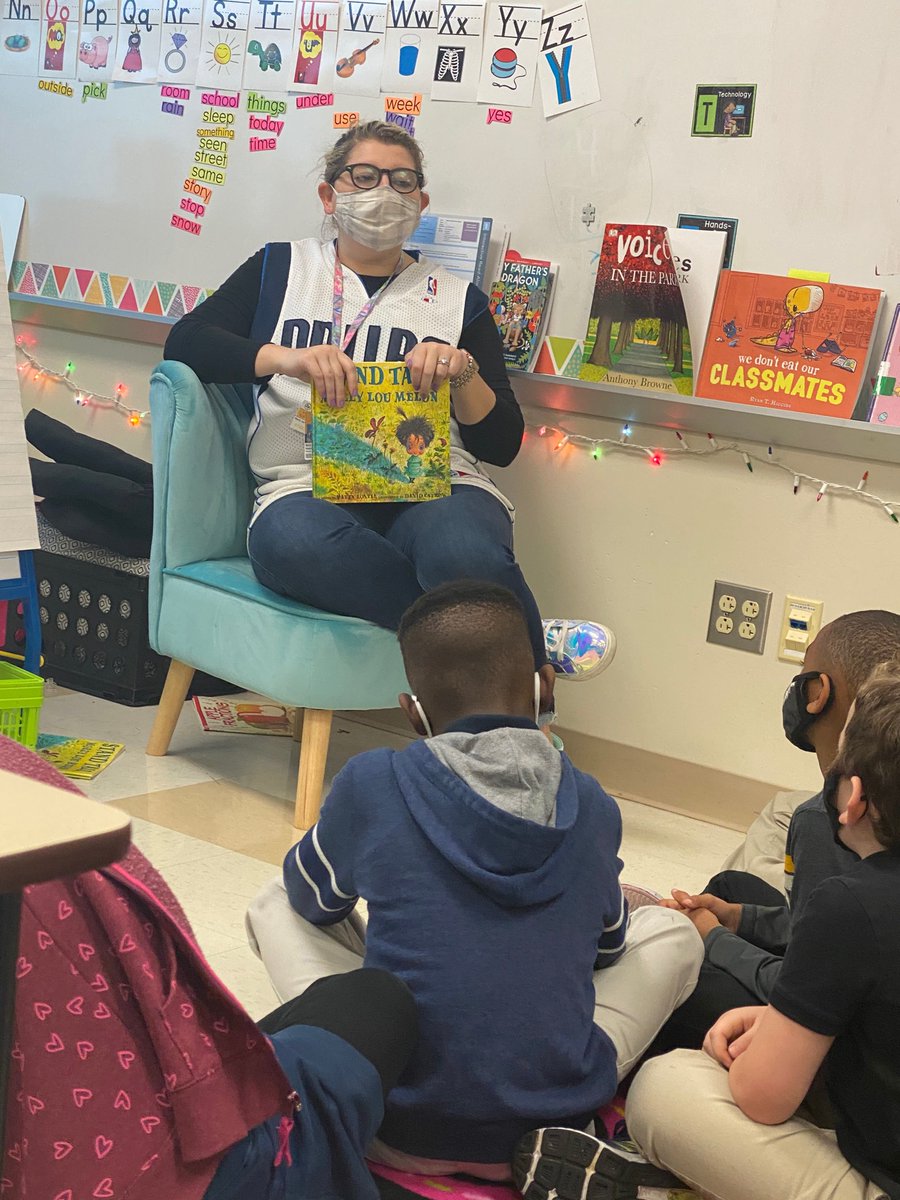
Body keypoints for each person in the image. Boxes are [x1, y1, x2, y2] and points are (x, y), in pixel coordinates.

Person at [246, 581, 703, 1178]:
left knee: (275, 897)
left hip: (394, 1119)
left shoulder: (375, 781)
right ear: (545, 684)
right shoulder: (593, 805)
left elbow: (311, 900)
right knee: (671, 933)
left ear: (413, 712)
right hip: (551, 1119)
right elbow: (610, 949)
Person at [163, 119, 613, 686]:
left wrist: (461, 370)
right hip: (305, 484)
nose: (384, 193)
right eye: (364, 176)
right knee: (292, 544)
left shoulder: (457, 298)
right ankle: (520, 644)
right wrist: (287, 359)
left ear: (420, 203)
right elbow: (186, 343)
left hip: (435, 483)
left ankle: (510, 660)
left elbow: (500, 445)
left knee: (465, 552)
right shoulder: (280, 268)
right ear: (330, 195)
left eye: (402, 181)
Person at [2, 733, 417, 1200]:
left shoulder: (378, 779)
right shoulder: (36, 817)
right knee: (369, 993)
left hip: (78, 1149)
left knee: (292, 908)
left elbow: (313, 894)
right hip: (199, 1166)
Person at [623, 659, 900, 1200]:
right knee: (735, 886)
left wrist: (718, 945)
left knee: (663, 1087)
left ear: (855, 798)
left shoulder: (851, 904)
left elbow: (762, 1097)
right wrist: (736, 927)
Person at [651, 609, 900, 1052]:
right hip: (855, 972)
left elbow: (805, 989)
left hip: (837, 1038)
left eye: (804, 674)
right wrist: (733, 917)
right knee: (733, 888)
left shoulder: (822, 824)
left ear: (819, 692)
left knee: (677, 978)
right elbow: (830, 936)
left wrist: (715, 940)